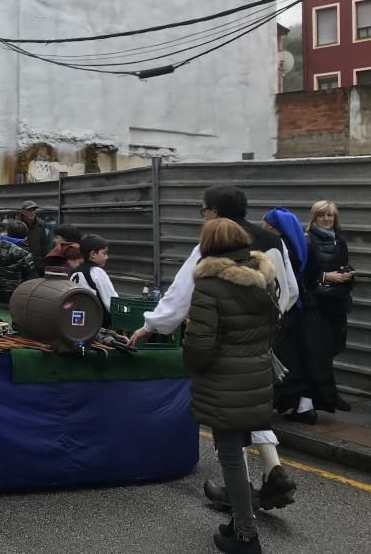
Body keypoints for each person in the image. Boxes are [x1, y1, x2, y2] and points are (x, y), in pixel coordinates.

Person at [128, 186, 298, 511]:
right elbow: (288, 289)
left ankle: (240, 492)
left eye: (204, 209)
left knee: (227, 413)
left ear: (216, 212)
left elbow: (180, 295)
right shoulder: (273, 241)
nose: (203, 216)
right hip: (263, 340)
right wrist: (266, 323)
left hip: (223, 344)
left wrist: (150, 326)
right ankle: (274, 470)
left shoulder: (212, 246)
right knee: (252, 404)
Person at [185, 218, 280, 554]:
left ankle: (246, 536)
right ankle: (239, 520)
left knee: (230, 456)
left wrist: (190, 342)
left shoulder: (210, 283)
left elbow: (199, 346)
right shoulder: (263, 277)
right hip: (255, 375)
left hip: (224, 380)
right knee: (238, 449)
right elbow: (273, 325)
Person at [263, 207, 338, 423]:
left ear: (272, 226)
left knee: (289, 361)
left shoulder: (279, 248)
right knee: (309, 360)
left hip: (292, 310)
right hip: (310, 310)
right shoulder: (304, 245)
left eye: (266, 223)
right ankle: (305, 406)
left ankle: (298, 406)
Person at [305, 200, 354, 411]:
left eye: (330, 216)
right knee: (321, 352)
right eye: (321, 215)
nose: (326, 219)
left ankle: (325, 394)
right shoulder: (308, 241)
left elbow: (342, 264)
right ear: (313, 218)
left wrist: (347, 274)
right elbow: (303, 273)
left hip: (338, 301)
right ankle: (327, 396)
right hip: (318, 303)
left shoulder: (339, 240)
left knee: (336, 346)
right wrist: (325, 276)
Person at [67, 234, 118, 325]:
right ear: (93, 254)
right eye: (104, 253)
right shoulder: (97, 272)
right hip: (97, 324)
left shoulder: (74, 272)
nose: (107, 257)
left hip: (77, 321)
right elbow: (111, 302)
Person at [0, 220, 37, 307]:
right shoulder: (26, 254)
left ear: (8, 234)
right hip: (16, 302)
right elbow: (31, 281)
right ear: (25, 237)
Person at [17, 200, 49, 275]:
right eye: (29, 210)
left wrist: (46, 261)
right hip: (22, 262)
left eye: (34, 210)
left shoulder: (40, 225)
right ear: (22, 211)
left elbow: (44, 244)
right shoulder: (17, 225)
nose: (32, 212)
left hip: (38, 263)